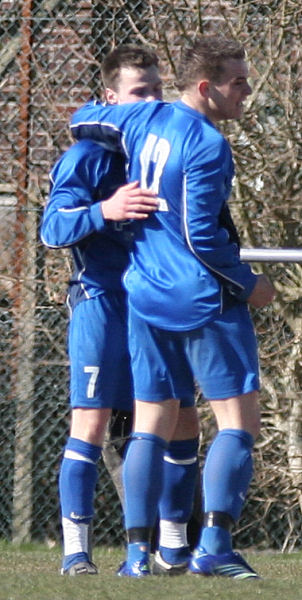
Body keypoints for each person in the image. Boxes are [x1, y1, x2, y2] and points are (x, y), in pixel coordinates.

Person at [70, 34, 276, 579]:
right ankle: (213, 545)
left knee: (151, 423)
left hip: (143, 292)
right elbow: (201, 238)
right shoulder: (209, 144)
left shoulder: (143, 118)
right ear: (206, 88)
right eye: (238, 82)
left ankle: (138, 557)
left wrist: (99, 113)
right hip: (201, 297)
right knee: (239, 422)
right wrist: (248, 283)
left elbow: (86, 118)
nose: (247, 92)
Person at [41, 44, 200, 576]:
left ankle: (172, 546)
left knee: (178, 416)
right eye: (139, 92)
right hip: (103, 302)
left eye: (158, 89)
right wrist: (104, 210)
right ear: (110, 99)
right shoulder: (88, 155)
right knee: (90, 420)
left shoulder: (168, 145)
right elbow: (52, 227)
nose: (151, 100)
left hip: (158, 301)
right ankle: (75, 553)